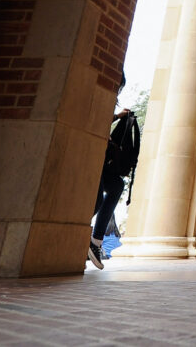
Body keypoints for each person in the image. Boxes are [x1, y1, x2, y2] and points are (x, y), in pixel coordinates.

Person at [87, 74, 140, 270]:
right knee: (97, 199)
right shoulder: (99, 96)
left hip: (103, 158)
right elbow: (98, 120)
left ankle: (96, 240)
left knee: (117, 185)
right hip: (93, 155)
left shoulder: (110, 100)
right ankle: (80, 232)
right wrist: (118, 117)